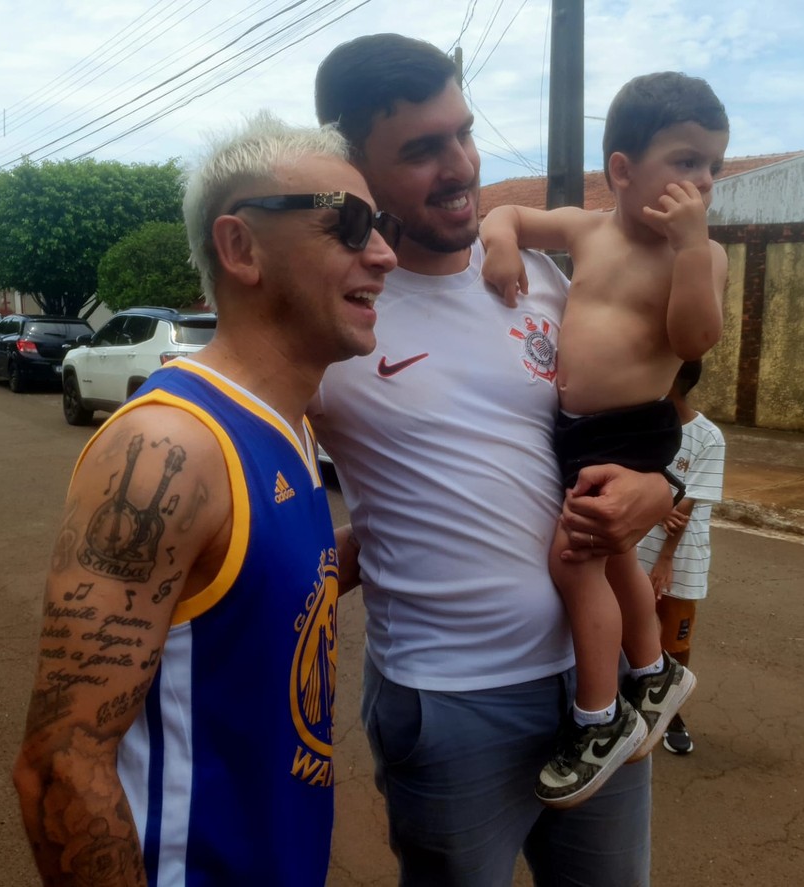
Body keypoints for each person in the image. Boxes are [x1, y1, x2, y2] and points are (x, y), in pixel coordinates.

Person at [312, 34, 674, 887]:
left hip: (600, 686)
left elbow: (646, 414)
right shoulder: (337, 320)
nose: (461, 165)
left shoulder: (543, 276)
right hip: (450, 702)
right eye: (422, 149)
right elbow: (261, 484)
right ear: (354, 167)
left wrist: (659, 487)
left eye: (463, 133)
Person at [11, 111, 399, 886]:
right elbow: (60, 765)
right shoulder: (169, 450)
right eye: (350, 224)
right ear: (241, 247)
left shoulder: (289, 425)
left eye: (381, 224)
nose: (385, 254)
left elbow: (239, 605)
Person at [480, 70, 729, 805]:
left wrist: (690, 248)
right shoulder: (591, 228)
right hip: (577, 429)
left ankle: (599, 715)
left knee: (573, 561)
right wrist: (498, 244)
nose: (703, 181)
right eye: (685, 161)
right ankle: (654, 673)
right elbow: (513, 219)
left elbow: (693, 338)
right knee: (612, 550)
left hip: (634, 428)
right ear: (621, 171)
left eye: (712, 165)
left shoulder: (701, 255)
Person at [636, 359, 726, 755]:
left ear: (673, 381)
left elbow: (686, 507)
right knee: (630, 626)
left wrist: (666, 559)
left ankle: (671, 713)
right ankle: (629, 704)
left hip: (682, 556)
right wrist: (655, 507)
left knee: (676, 639)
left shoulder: (708, 436)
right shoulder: (643, 423)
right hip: (635, 545)